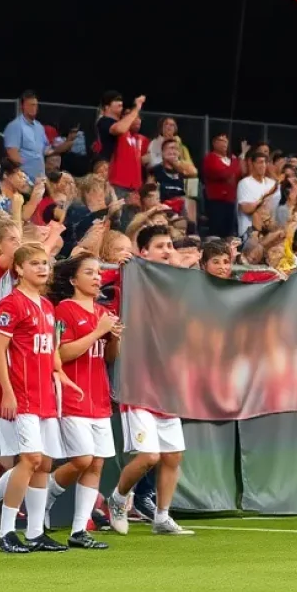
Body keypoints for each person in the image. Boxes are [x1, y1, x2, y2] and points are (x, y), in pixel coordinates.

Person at [0, 244, 82, 555]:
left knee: (45, 463)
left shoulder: (47, 307)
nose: (42, 268)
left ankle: (35, 531)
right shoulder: (11, 303)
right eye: (35, 263)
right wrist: (7, 391)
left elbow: (49, 349)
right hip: (22, 393)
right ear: (19, 269)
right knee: (30, 459)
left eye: (46, 263)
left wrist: (60, 374)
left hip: (45, 394)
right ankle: (7, 531)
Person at [107, 224, 194, 537]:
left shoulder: (177, 286)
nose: (168, 250)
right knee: (149, 457)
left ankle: (162, 517)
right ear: (142, 253)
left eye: (171, 245)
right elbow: (103, 284)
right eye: (160, 246)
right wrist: (122, 271)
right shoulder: (128, 278)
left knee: (172, 456)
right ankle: (117, 499)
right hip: (138, 383)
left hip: (168, 385)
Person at [45, 254, 122, 549]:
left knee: (96, 463)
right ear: (73, 280)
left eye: (99, 272)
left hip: (99, 394)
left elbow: (109, 358)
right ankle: (47, 494)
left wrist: (113, 337)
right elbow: (61, 354)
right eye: (89, 272)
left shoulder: (102, 312)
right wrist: (98, 332)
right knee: (82, 459)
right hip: (73, 393)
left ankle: (79, 530)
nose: (97, 277)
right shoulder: (64, 309)